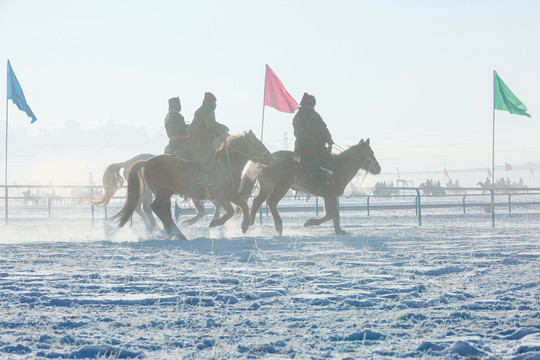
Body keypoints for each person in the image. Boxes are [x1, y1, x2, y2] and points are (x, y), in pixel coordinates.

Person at [292, 92, 334, 189]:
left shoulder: (297, 116)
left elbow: (298, 133)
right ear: (311, 105)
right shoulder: (314, 115)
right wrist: (330, 141)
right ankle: (323, 180)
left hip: (299, 148)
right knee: (327, 157)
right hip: (314, 147)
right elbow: (323, 128)